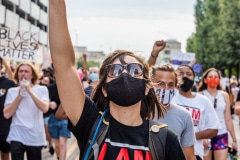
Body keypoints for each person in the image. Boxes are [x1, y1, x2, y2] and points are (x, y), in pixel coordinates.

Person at [49, 1, 186, 159]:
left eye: (134, 70)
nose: (125, 74)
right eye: (115, 70)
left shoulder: (165, 139)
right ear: (104, 89)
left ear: (147, 87)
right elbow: (64, 65)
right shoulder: (91, 123)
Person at [171, 65, 220, 160]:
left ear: (194, 78)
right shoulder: (170, 97)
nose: (185, 76)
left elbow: (214, 128)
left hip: (195, 153)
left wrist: (190, 137)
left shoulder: (203, 101)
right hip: (171, 152)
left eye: (188, 74)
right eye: (181, 74)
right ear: (176, 78)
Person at [3, 62, 49, 160]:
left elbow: (45, 108)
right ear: (17, 74)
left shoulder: (42, 89)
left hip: (35, 136)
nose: (23, 74)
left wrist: (30, 91)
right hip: (17, 135)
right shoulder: (12, 91)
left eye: (26, 71)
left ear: (32, 75)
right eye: (21, 71)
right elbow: (7, 114)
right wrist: (19, 96)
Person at [151, 63, 196, 160]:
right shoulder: (139, 112)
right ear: (151, 84)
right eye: (160, 84)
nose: (166, 89)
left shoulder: (184, 116)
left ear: (176, 86)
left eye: (170, 84)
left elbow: (189, 156)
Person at [198, 68, 237, 160]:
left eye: (216, 77)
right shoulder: (200, 95)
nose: (213, 79)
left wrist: (234, 139)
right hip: (205, 136)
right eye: (210, 76)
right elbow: (197, 118)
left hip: (221, 135)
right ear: (205, 80)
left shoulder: (224, 95)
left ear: (219, 80)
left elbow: (228, 119)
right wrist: (202, 136)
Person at [0, 57, 16, 160]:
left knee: (5, 154)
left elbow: (19, 85)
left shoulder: (8, 83)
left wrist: (7, 66)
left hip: (4, 127)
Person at [40, 76, 55, 155]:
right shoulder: (39, 89)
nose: (43, 82)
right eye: (43, 81)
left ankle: (50, 144)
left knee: (46, 130)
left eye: (46, 81)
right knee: (43, 132)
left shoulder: (51, 91)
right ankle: (46, 143)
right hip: (39, 115)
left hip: (47, 115)